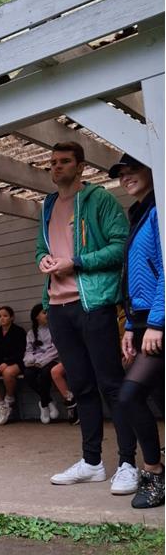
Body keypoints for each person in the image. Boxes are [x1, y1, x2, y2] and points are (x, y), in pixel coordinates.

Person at [36, 141, 138, 494]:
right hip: (58, 308)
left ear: (80, 167)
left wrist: (75, 262)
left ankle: (128, 463)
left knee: (111, 383)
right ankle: (92, 462)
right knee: (80, 386)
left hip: (92, 303)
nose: (57, 167)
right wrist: (44, 262)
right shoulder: (48, 204)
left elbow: (119, 244)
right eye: (52, 162)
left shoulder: (100, 200)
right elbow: (41, 248)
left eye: (64, 162)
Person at [111, 154, 164, 508]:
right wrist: (131, 326)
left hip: (159, 319)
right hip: (144, 320)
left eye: (134, 170)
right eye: (121, 174)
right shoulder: (141, 213)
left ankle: (154, 474)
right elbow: (139, 278)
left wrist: (157, 323)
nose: (126, 177)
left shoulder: (160, 211)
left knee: (129, 395)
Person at [23, 303, 78, 424]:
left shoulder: (55, 328)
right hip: (35, 362)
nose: (47, 315)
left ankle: (43, 404)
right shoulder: (31, 333)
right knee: (28, 374)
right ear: (36, 316)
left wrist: (41, 362)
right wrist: (30, 361)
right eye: (44, 312)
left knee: (45, 373)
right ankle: (48, 401)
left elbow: (55, 350)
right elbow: (28, 351)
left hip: (52, 360)